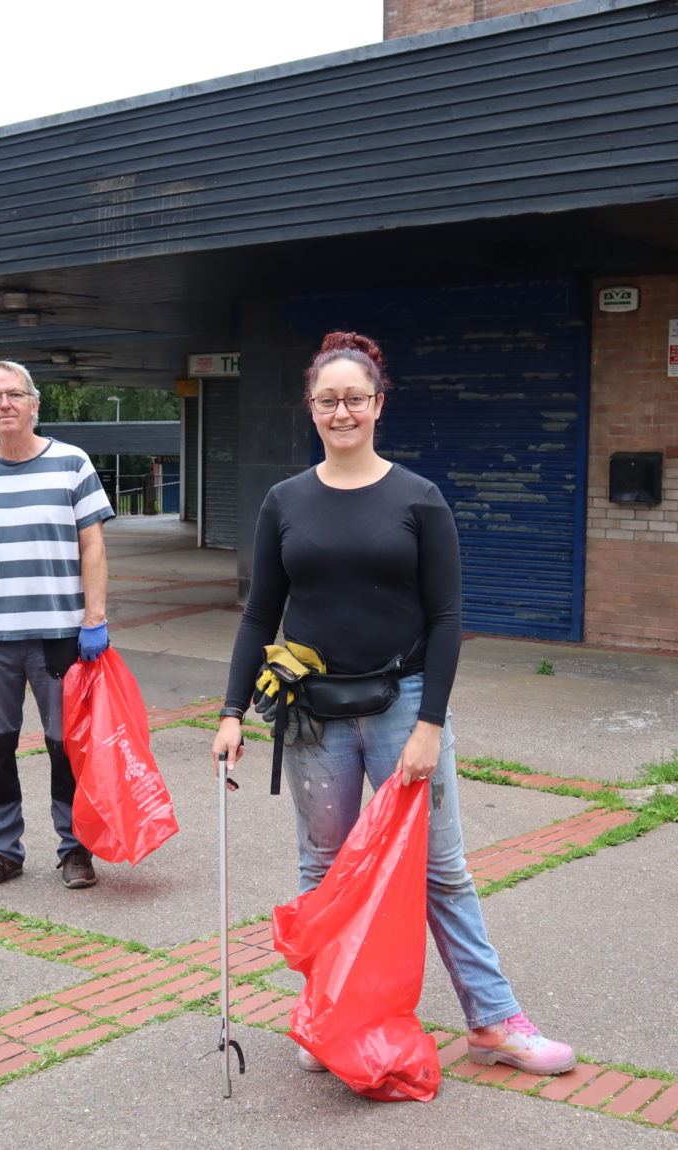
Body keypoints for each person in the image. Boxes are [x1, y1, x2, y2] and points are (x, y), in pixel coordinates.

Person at [211, 331, 576, 1077]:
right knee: (323, 868)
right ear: (310, 408)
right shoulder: (284, 502)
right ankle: (330, 1019)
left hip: (403, 705)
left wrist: (430, 725)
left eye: (355, 398)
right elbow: (258, 617)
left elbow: (446, 619)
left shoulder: (419, 498)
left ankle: (494, 1021)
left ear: (378, 405)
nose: (341, 410)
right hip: (312, 715)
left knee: (442, 870)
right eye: (327, 399)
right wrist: (230, 712)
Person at [0, 360, 114, 892]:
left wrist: (95, 620)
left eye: (15, 394)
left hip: (63, 639)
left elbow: (93, 546)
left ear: (35, 404)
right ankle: (1, 852)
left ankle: (76, 849)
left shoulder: (72, 464)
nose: (5, 404)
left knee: (68, 748)